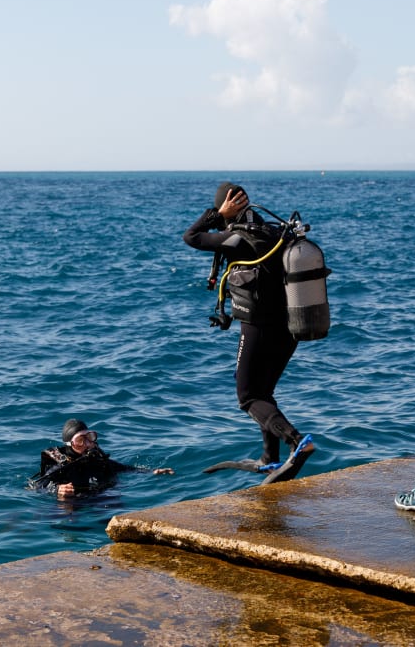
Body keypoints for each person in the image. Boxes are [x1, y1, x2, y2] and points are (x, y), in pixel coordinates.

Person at [182, 181, 313, 480]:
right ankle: (270, 457)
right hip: (291, 325)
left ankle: (297, 442)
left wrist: (217, 214)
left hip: (261, 327)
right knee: (262, 391)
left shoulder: (237, 238)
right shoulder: (275, 232)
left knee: (248, 397)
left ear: (229, 207)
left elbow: (191, 237)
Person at [31, 418, 173, 499]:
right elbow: (39, 485)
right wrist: (57, 489)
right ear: (70, 444)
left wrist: (151, 472)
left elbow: (122, 468)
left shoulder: (96, 458)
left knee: (114, 505)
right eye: (80, 440)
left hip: (98, 497)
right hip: (73, 501)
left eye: (89, 437)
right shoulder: (61, 465)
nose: (87, 443)